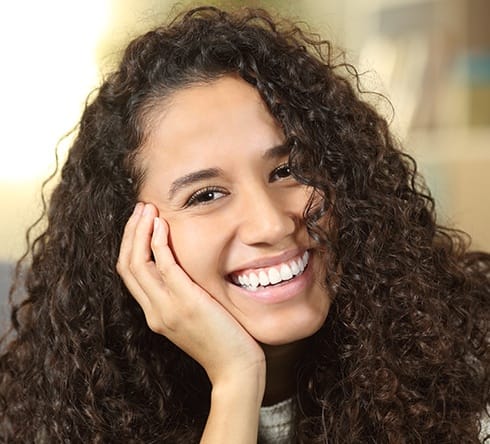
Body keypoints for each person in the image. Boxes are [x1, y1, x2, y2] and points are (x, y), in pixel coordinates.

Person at [0, 5, 488, 443]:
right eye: (206, 195)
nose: (271, 224)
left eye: (287, 170)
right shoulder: (61, 413)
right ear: (131, 240)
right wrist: (236, 379)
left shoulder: (470, 357)